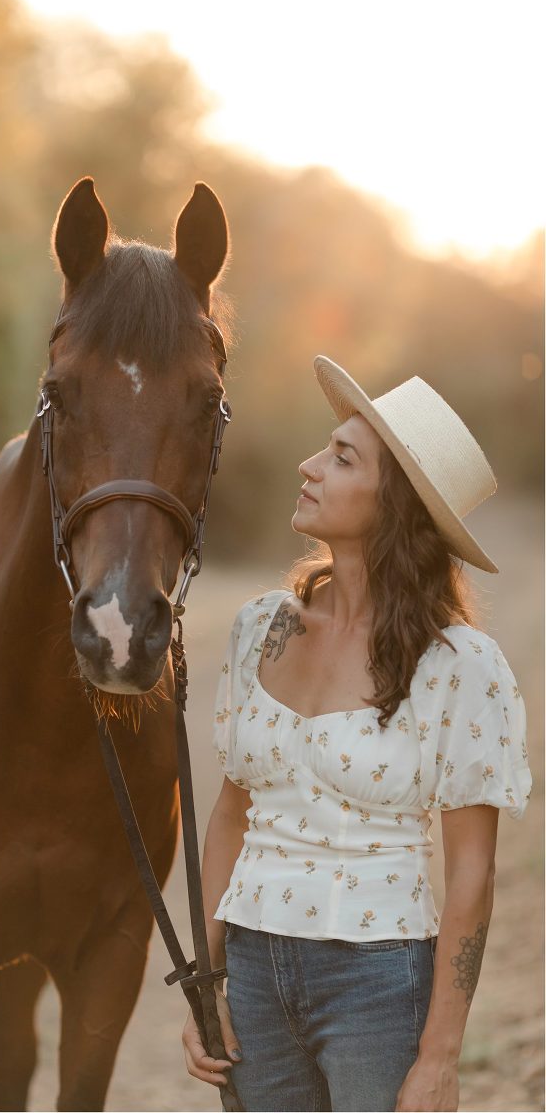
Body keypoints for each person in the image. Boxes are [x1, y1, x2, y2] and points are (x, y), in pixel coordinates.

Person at [182, 356, 532, 1112]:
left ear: (395, 502)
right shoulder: (258, 630)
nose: (309, 466)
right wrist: (205, 984)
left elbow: (472, 873)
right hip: (252, 967)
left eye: (342, 457)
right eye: (324, 446)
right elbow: (230, 815)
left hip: (377, 980)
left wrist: (439, 1056)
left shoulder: (459, 667)